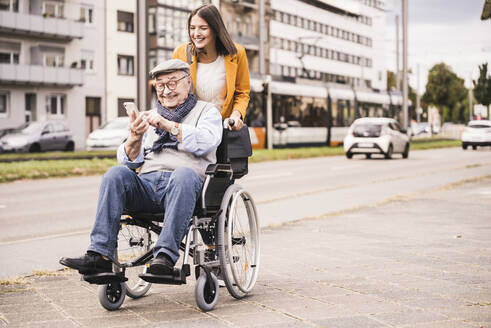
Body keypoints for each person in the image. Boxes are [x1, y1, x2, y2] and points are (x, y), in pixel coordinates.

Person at [60, 59, 223, 276]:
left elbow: (207, 141)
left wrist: (168, 126)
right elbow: (130, 161)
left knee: (183, 174)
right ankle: (99, 256)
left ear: (188, 82)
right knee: (116, 173)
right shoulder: (148, 116)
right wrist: (135, 138)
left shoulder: (207, 112)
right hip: (147, 185)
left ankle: (164, 257)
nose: (166, 91)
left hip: (184, 187)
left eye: (172, 83)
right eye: (160, 85)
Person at [172, 3, 250, 131]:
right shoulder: (180, 53)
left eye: (203, 28)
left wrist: (236, 115)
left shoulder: (236, 54)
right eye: (192, 28)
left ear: (215, 29)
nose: (196, 33)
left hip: (223, 129)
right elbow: (173, 91)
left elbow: (242, 93)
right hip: (191, 129)